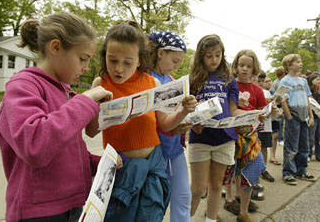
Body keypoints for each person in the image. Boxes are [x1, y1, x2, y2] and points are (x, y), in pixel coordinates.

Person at [0, 12, 116, 222]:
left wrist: (101, 164)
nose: (86, 68)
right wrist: (85, 101)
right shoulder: (22, 86)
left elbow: (66, 149)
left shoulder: (64, 91)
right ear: (56, 48)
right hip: (38, 213)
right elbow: (35, 145)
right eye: (82, 59)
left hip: (73, 206)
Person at [86, 21, 197, 222]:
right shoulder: (100, 83)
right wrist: (101, 110)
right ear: (105, 57)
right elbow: (91, 131)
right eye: (112, 60)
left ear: (139, 60)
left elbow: (164, 124)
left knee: (151, 216)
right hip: (121, 167)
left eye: (127, 62)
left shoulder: (151, 83)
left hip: (153, 163)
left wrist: (183, 111)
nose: (118, 69)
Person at [188, 35, 250, 222]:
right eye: (209, 56)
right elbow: (186, 110)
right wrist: (193, 121)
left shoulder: (229, 79)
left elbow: (232, 110)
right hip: (201, 138)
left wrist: (254, 114)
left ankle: (211, 219)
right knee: (198, 188)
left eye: (217, 55)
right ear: (201, 56)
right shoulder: (193, 79)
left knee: (216, 185)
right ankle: (186, 218)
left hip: (225, 138)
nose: (214, 59)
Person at [147, 31, 192, 222]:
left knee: (183, 196)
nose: (176, 66)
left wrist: (188, 119)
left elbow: (174, 114)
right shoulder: (147, 78)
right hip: (155, 150)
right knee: (155, 200)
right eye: (174, 60)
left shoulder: (174, 82)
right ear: (160, 53)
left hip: (175, 148)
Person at [224, 49, 269, 222]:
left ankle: (243, 210)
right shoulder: (229, 85)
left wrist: (265, 113)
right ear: (235, 66)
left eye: (248, 66)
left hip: (251, 137)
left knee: (251, 170)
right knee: (229, 169)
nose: (244, 69)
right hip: (230, 134)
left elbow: (263, 111)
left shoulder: (257, 90)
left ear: (254, 68)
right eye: (241, 65)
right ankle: (229, 199)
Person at [279, 54, 316, 186]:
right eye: (298, 62)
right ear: (289, 65)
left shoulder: (304, 81)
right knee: (291, 146)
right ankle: (288, 172)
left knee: (304, 145)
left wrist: (311, 115)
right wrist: (288, 116)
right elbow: (282, 99)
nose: (300, 64)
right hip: (293, 116)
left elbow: (307, 98)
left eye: (300, 62)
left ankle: (302, 170)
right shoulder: (285, 81)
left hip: (304, 116)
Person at [256, 71, 275, 182]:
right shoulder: (253, 91)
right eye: (259, 81)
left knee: (264, 148)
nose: (261, 83)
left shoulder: (267, 93)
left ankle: (263, 170)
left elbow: (271, 109)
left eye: (262, 81)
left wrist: (274, 110)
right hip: (255, 126)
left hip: (266, 126)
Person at [306, 72, 320, 162]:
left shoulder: (319, 90)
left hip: (319, 116)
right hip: (312, 115)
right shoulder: (309, 91)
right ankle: (308, 154)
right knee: (311, 136)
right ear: (311, 80)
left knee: (319, 136)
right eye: (318, 79)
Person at [265, 75, 282, 166]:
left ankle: (272, 155)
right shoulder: (261, 92)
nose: (269, 82)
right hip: (266, 118)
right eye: (266, 81)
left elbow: (278, 106)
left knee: (275, 136)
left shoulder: (273, 92)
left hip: (274, 117)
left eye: (270, 80)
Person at [271, 66, 286, 146]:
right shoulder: (279, 82)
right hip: (278, 104)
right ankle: (280, 139)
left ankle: (280, 138)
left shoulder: (276, 81)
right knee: (279, 123)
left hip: (279, 103)